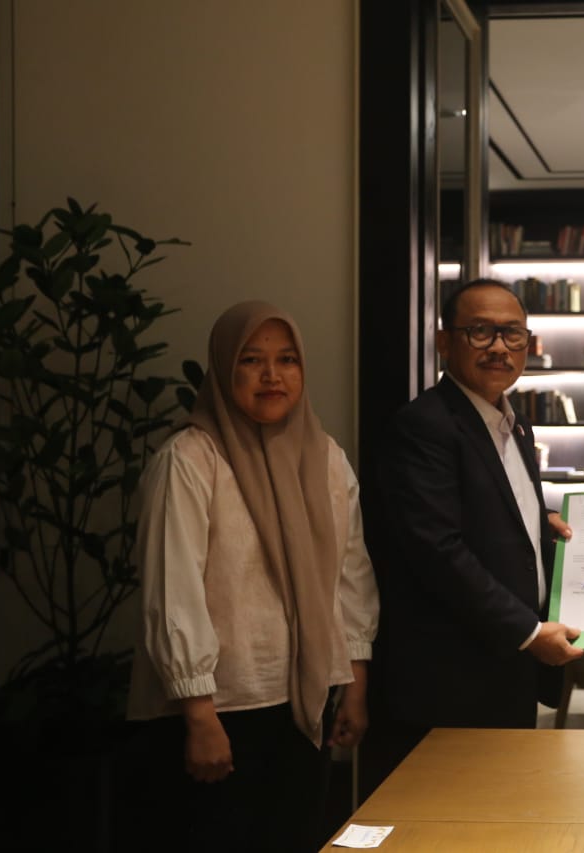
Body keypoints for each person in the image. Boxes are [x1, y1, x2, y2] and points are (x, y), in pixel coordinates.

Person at [126, 301, 380, 852]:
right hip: (216, 708)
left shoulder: (325, 458)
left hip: (304, 701)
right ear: (223, 369)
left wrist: (354, 684)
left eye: (287, 360)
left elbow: (351, 575)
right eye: (251, 360)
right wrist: (199, 715)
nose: (272, 375)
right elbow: (172, 593)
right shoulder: (190, 460)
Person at [375, 278, 584, 768]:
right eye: (480, 331)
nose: (498, 347)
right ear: (445, 342)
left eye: (513, 334)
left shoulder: (516, 423)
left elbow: (490, 511)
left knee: (505, 799)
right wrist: (528, 632)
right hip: (452, 675)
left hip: (508, 664)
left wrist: (541, 522)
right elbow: (437, 550)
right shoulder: (424, 425)